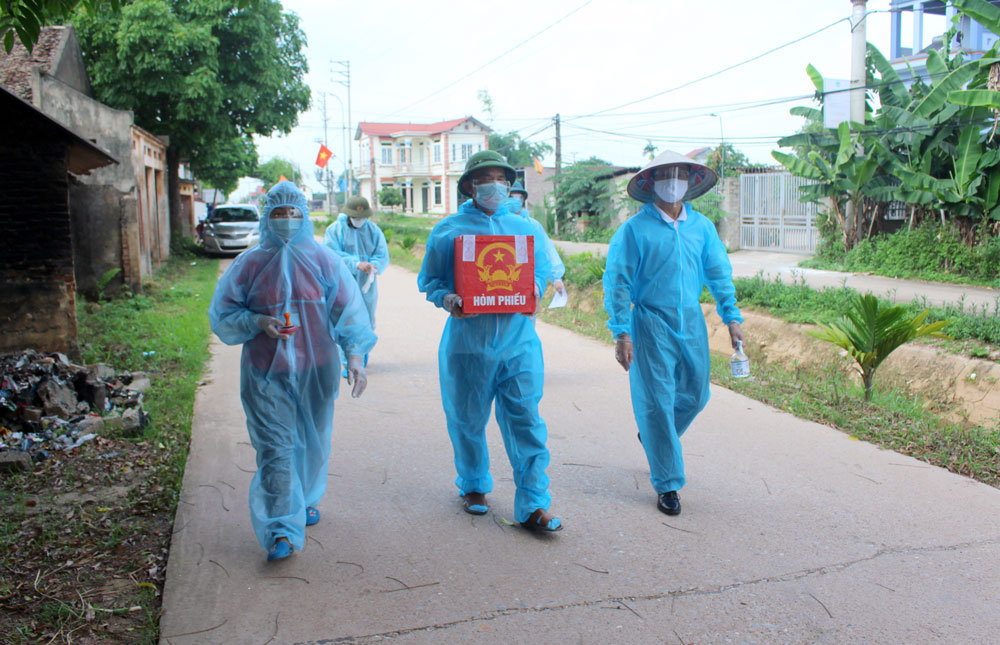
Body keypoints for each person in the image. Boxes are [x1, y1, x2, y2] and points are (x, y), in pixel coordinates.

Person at [209, 181, 376, 561]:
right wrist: (258, 322)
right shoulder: (248, 264)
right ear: (267, 217)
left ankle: (309, 497)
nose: (286, 219)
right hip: (264, 372)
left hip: (317, 367)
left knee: (314, 440)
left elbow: (348, 312)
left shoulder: (324, 260)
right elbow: (224, 315)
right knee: (276, 448)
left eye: (293, 212)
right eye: (279, 213)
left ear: (304, 216)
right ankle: (281, 529)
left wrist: (354, 356)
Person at [417, 151, 562, 532]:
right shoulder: (449, 230)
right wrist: (448, 299)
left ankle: (533, 503)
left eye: (501, 177)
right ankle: (474, 485)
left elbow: (545, 271)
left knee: (527, 421)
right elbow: (430, 281)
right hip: (468, 344)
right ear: (469, 185)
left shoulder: (526, 229)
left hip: (519, 343)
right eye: (486, 178)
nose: (495, 184)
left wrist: (535, 288)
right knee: (467, 419)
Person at [603, 150, 745, 517]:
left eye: (679, 174)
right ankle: (667, 483)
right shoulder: (633, 231)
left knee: (696, 395)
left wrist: (731, 316)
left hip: (691, 321)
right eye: (665, 174)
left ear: (690, 181)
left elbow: (718, 273)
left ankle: (653, 436)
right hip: (649, 322)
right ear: (650, 183)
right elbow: (618, 283)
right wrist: (621, 333)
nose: (673, 181)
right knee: (657, 401)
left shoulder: (702, 228)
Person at [323, 195, 390, 367]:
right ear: (348, 215)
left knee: (366, 319)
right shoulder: (335, 230)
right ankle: (347, 360)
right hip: (343, 285)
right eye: (356, 217)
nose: (359, 220)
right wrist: (355, 264)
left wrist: (373, 266)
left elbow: (382, 255)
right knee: (345, 319)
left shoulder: (374, 231)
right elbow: (330, 255)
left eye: (362, 217)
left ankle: (362, 353)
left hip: (367, 286)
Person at [508, 181, 566, 299]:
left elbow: (547, 250)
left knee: (525, 313)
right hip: (503, 280)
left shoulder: (533, 225)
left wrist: (556, 278)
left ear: (523, 200)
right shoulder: (497, 224)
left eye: (518, 197)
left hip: (528, 281)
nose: (514, 200)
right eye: (510, 196)